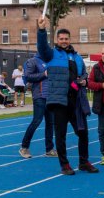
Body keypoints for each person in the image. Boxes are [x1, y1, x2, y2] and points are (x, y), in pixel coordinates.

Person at [37, 17, 96, 175]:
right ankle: (65, 165)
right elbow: (42, 47)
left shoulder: (77, 57)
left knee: (83, 132)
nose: (64, 41)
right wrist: (42, 30)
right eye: (61, 39)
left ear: (70, 39)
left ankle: (83, 162)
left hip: (76, 101)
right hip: (59, 101)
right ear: (57, 40)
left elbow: (84, 75)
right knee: (61, 135)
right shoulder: (51, 54)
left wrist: (84, 81)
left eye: (66, 39)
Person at [19, 54, 56, 159]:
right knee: (36, 121)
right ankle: (24, 147)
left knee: (50, 123)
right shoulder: (32, 61)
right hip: (39, 95)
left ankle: (49, 149)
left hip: (51, 96)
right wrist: (44, 74)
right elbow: (28, 76)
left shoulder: (51, 60)